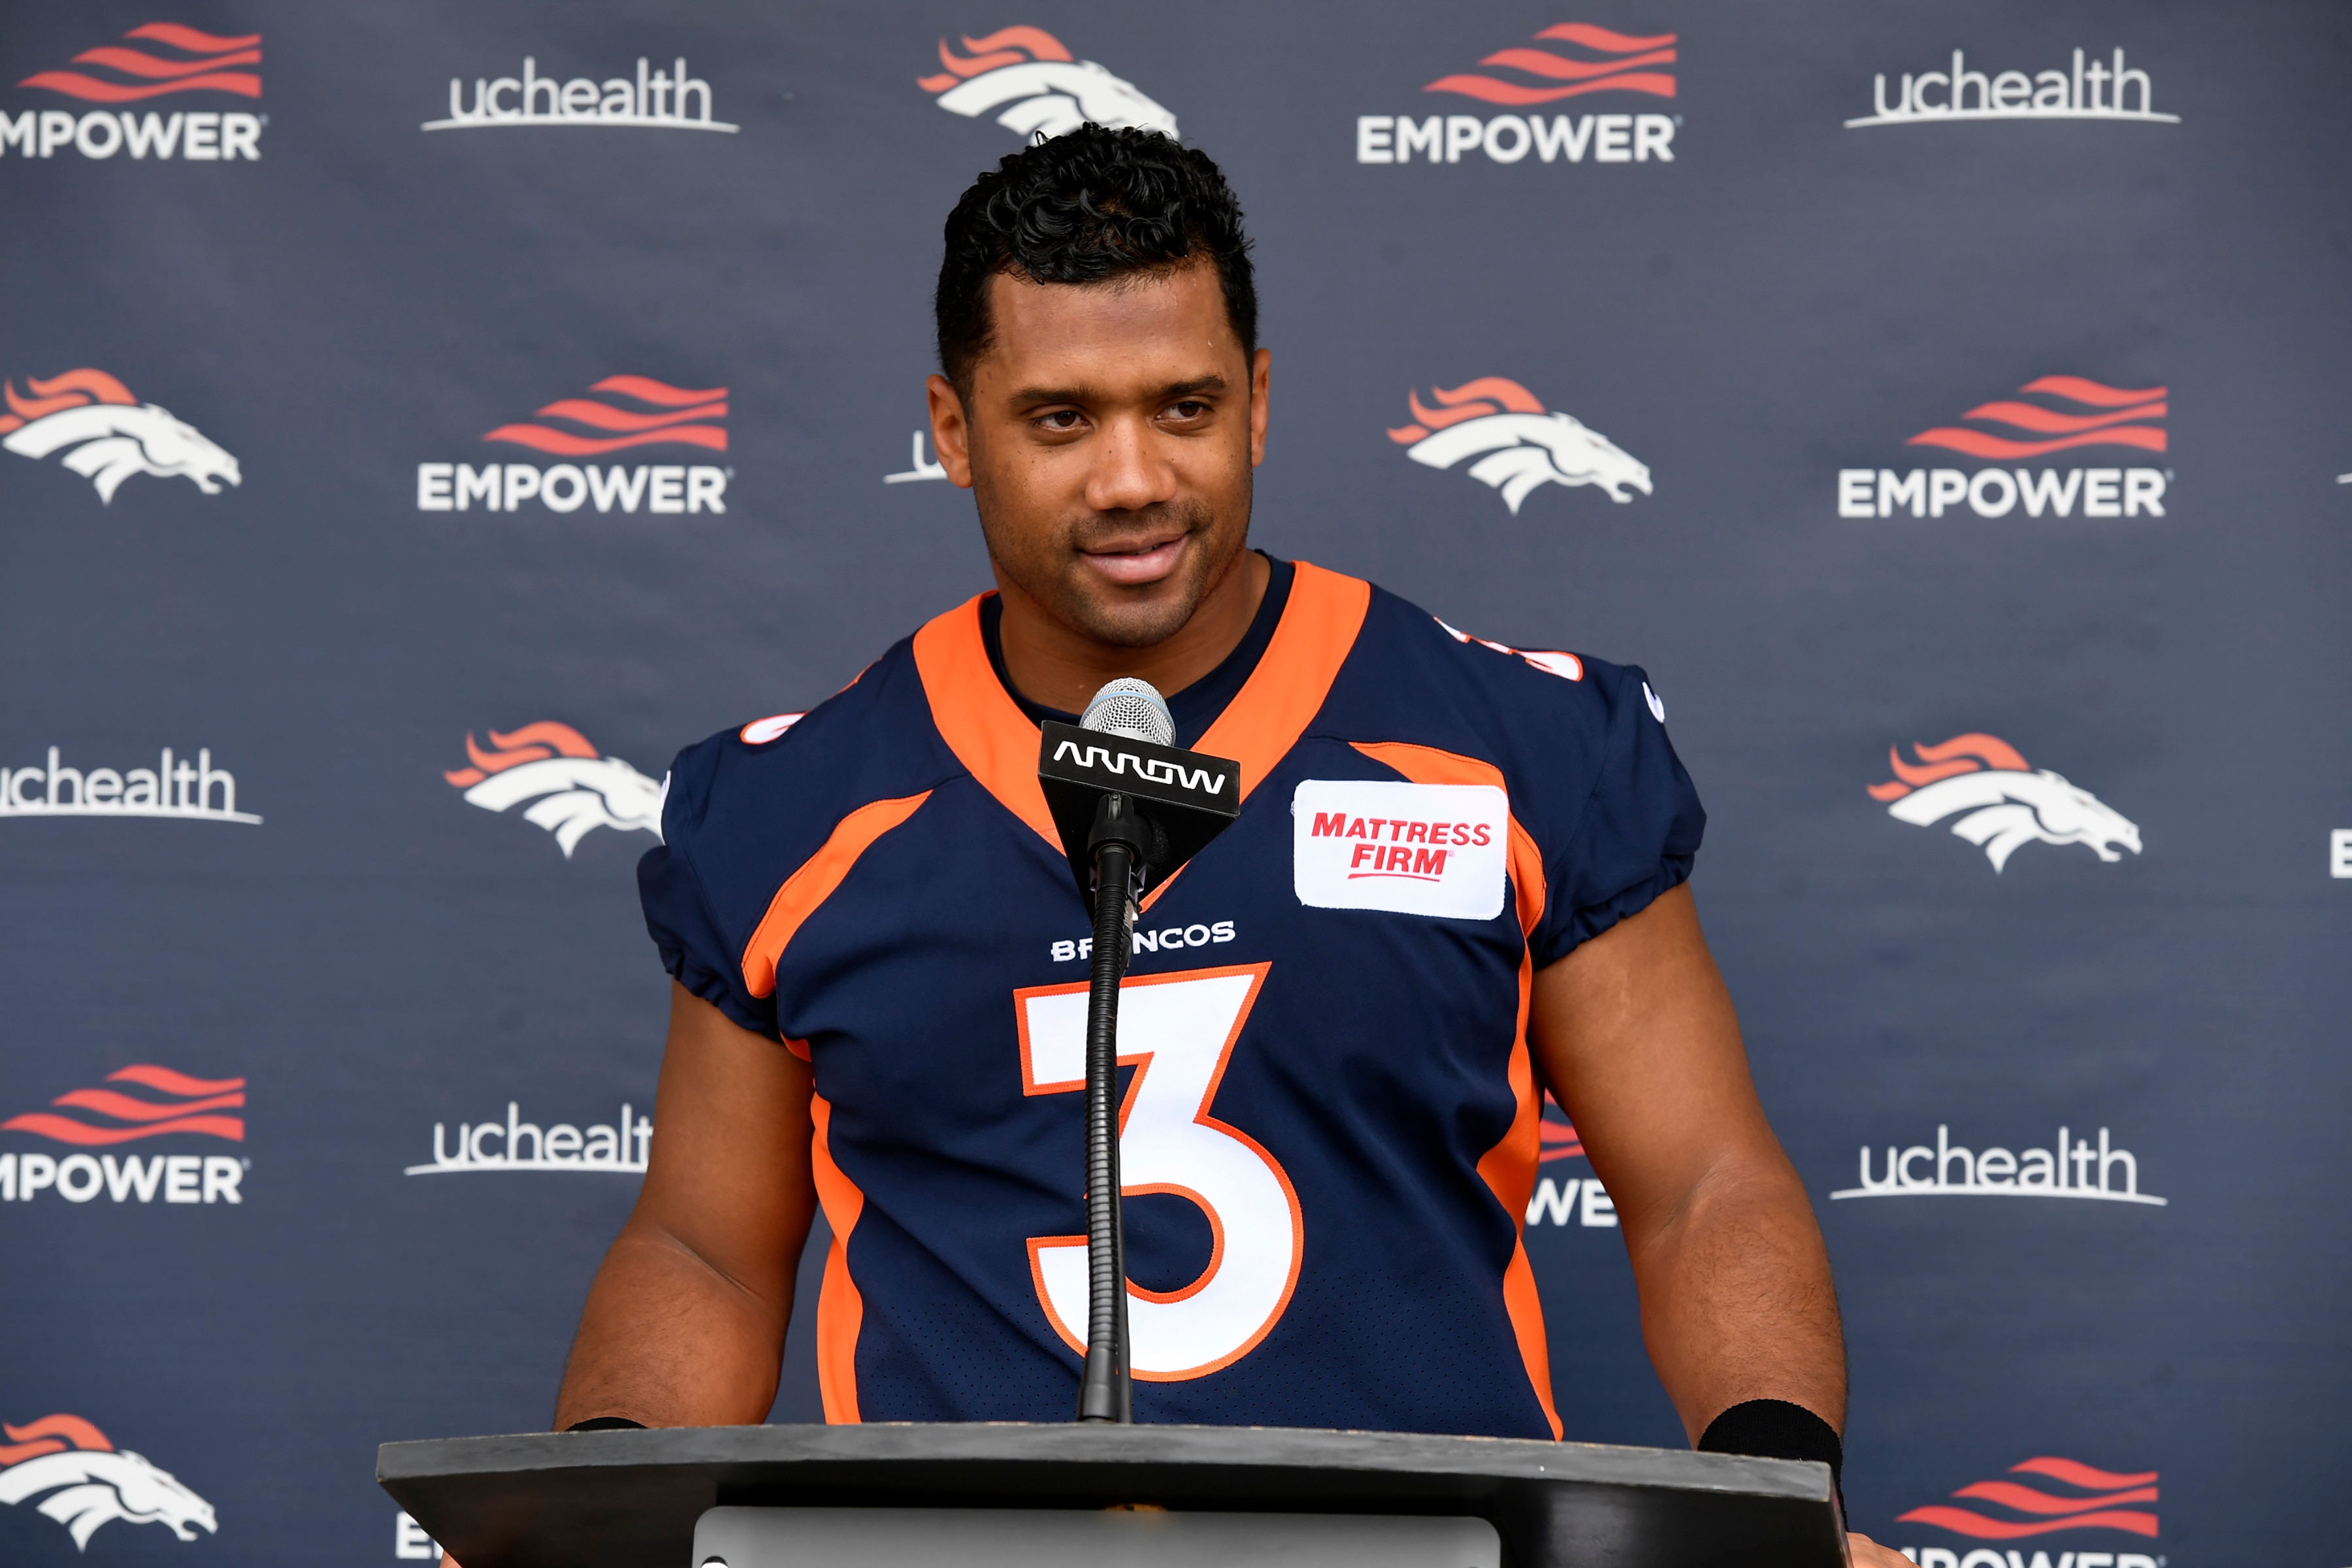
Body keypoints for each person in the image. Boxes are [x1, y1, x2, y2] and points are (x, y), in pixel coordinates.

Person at [550, 126, 1905, 1567]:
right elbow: (705, 1247)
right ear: (952, 429)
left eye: (1183, 407)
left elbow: (1701, 1181)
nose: (1131, 478)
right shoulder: (799, 810)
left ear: (1257, 402)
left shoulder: (1512, 745)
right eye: (1061, 420)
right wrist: (587, 1518)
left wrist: (1781, 1500)